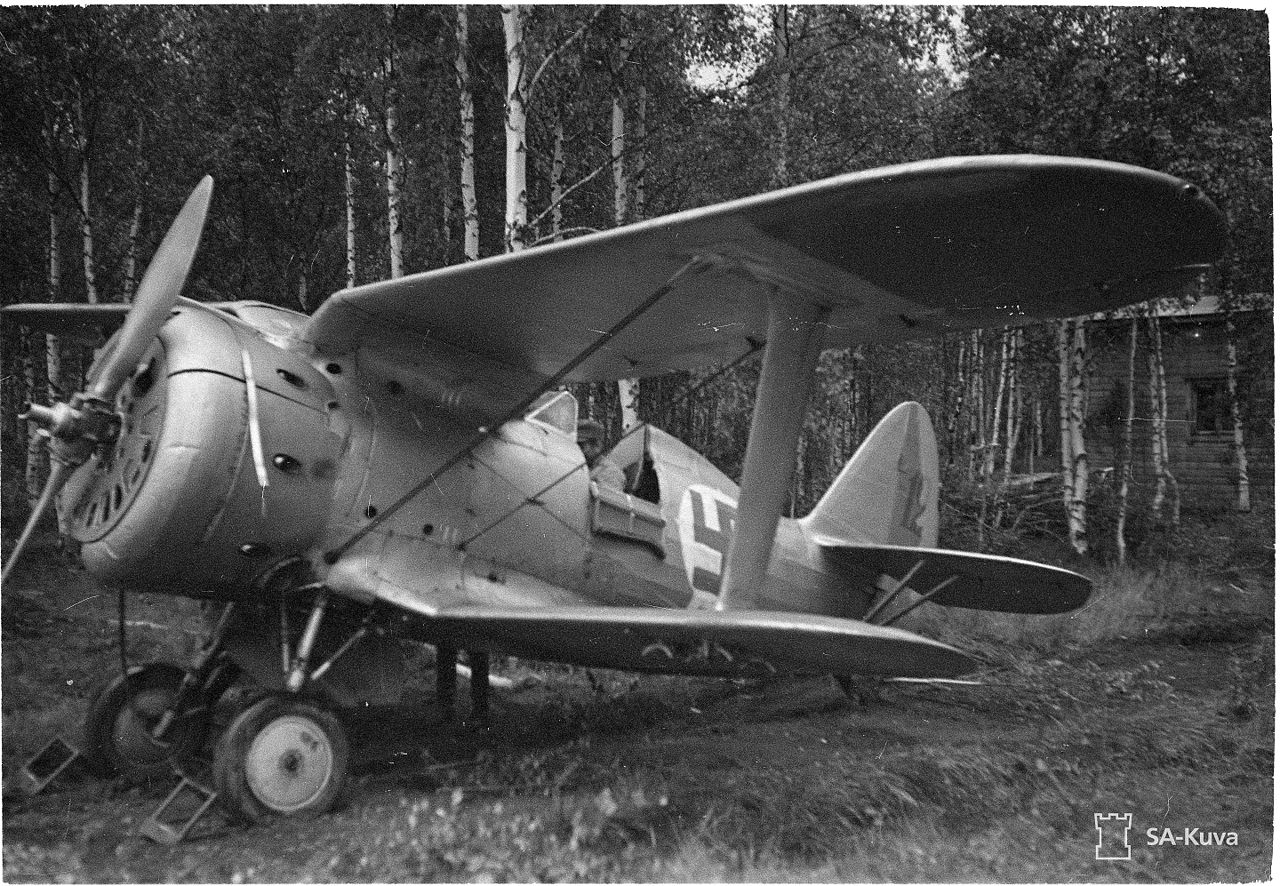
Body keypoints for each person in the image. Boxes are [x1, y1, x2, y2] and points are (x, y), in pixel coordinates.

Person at [576, 419, 626, 490]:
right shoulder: (579, 464)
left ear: (597, 445)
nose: (577, 450)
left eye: (580, 445)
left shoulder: (611, 472)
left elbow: (606, 498)